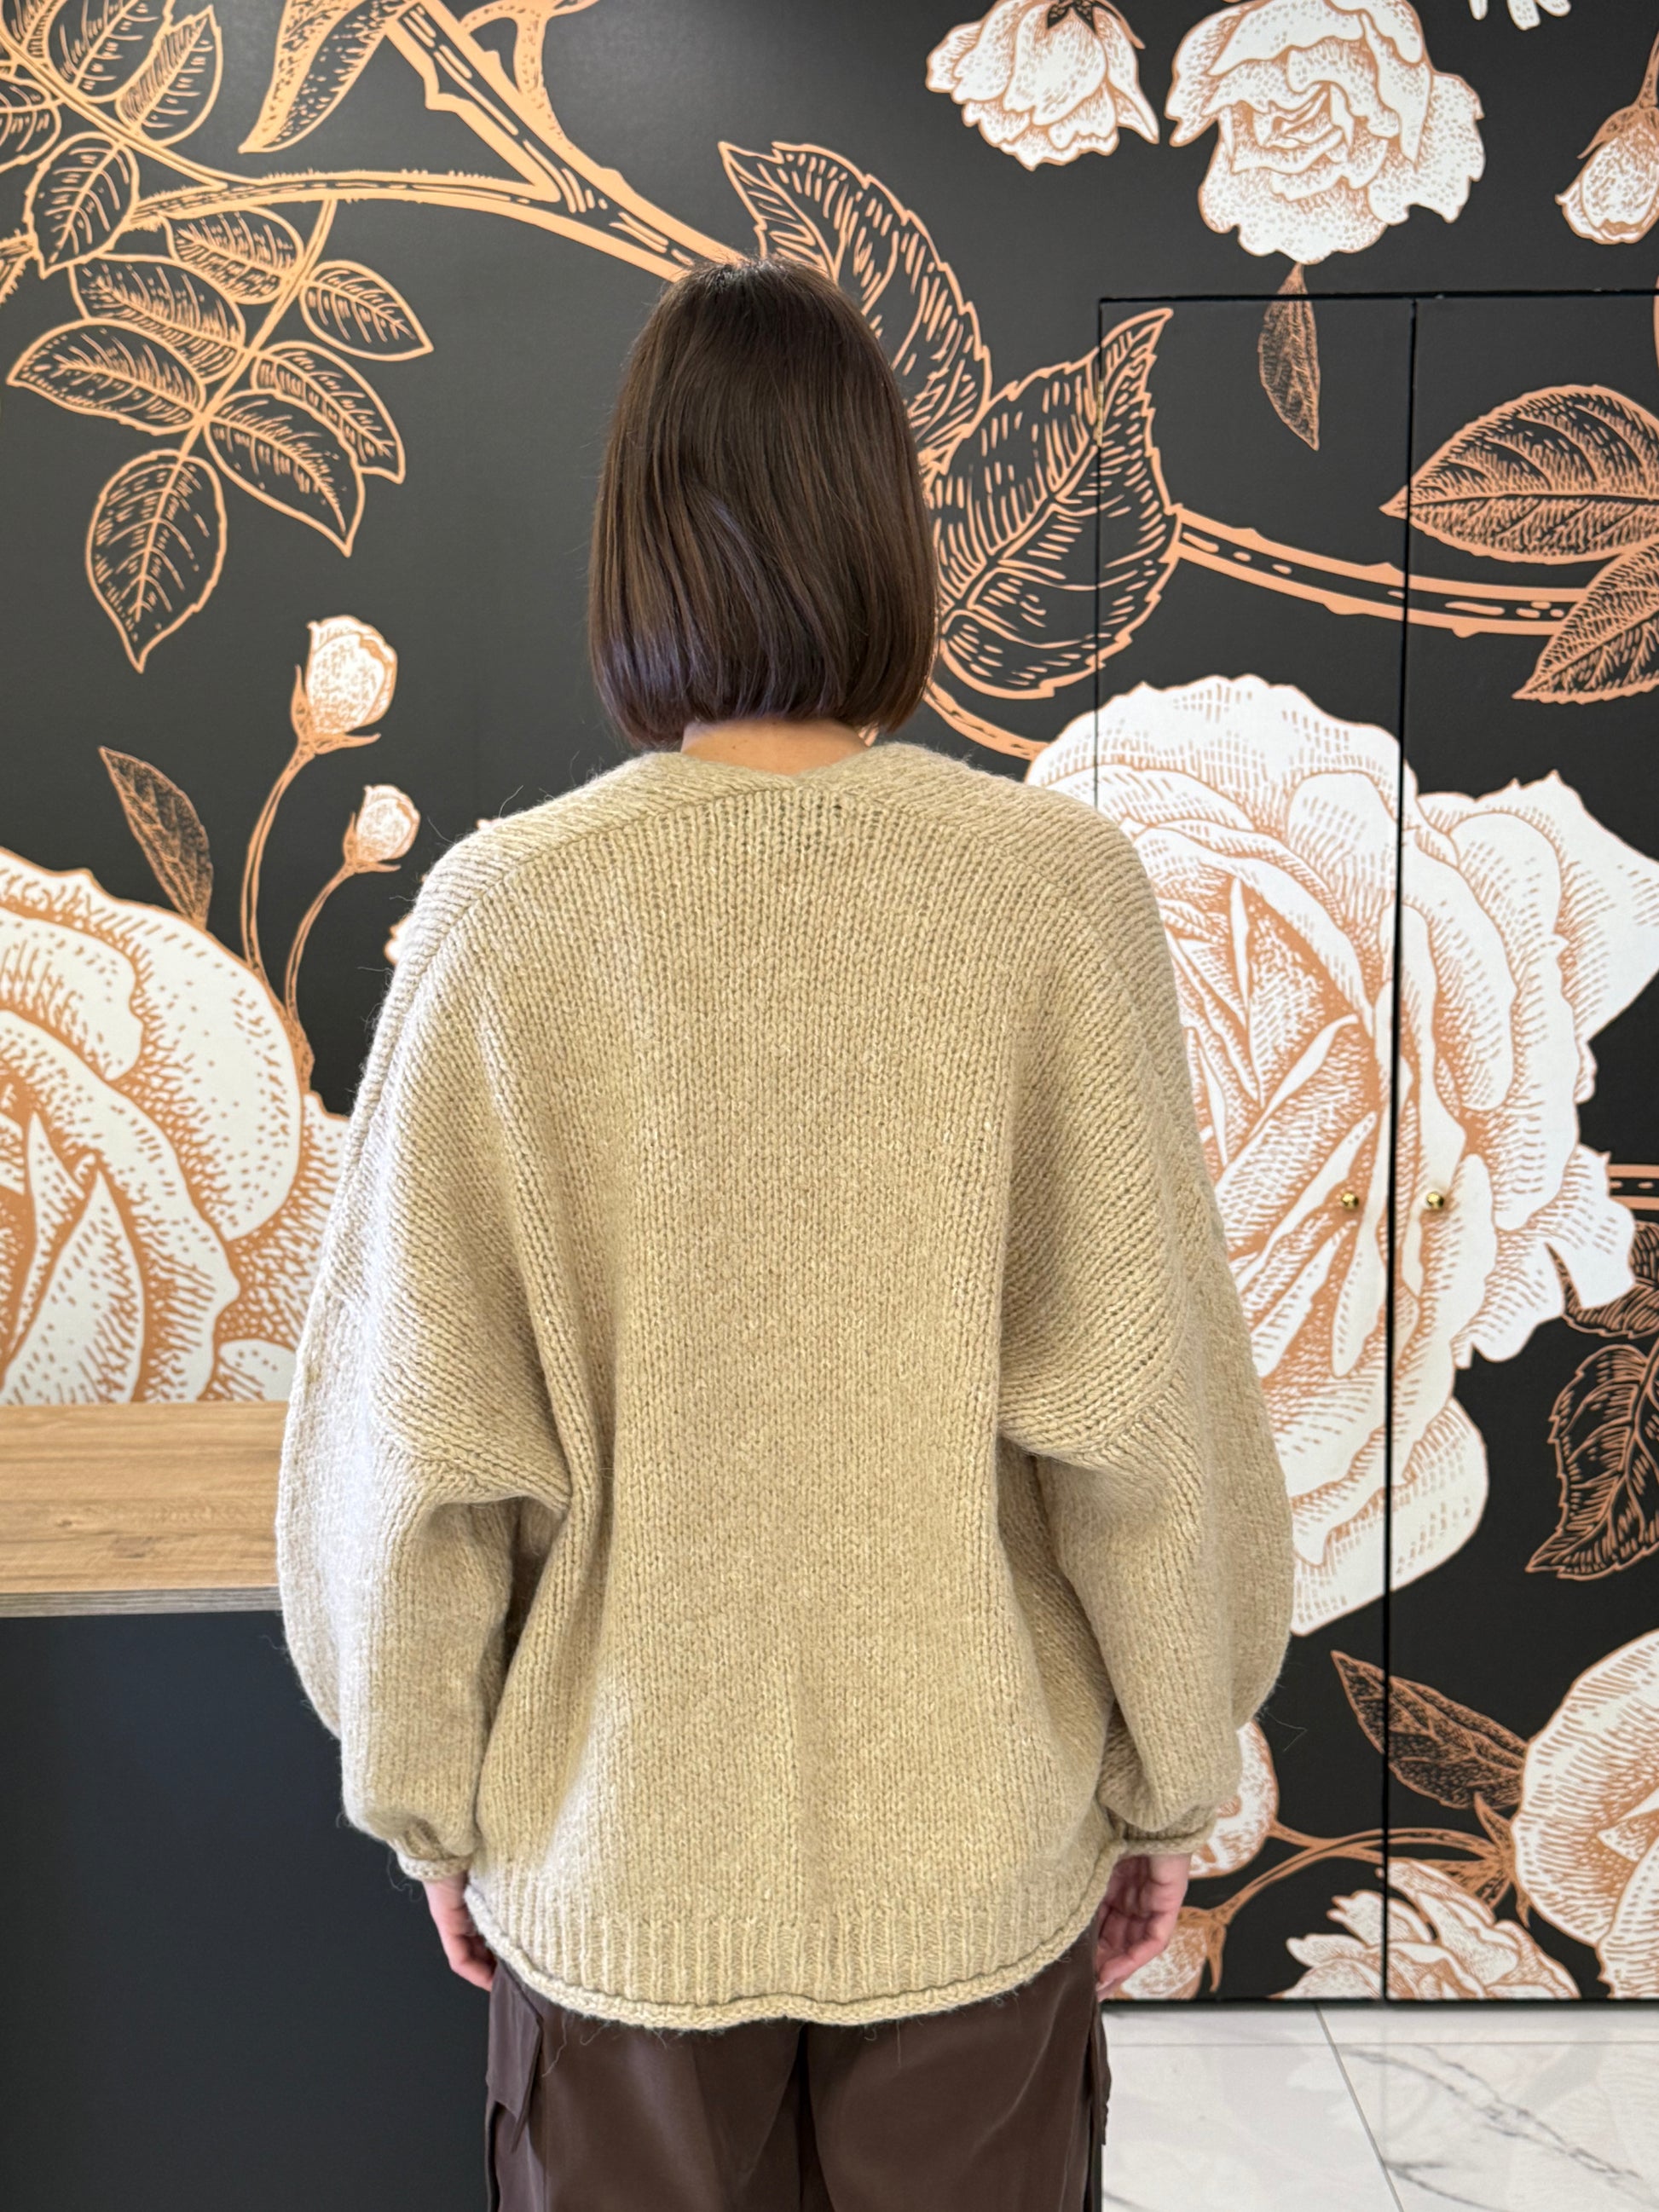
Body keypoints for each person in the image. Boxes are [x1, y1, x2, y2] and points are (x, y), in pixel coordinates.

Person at [276, 254, 1296, 2210]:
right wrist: (1169, 1776)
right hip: (971, 1862)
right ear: (889, 536)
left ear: (634, 544)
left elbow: (415, 1453)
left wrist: (430, 1800)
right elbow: (1144, 1426)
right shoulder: (1051, 895)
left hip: (617, 1860)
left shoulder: (507, 917)